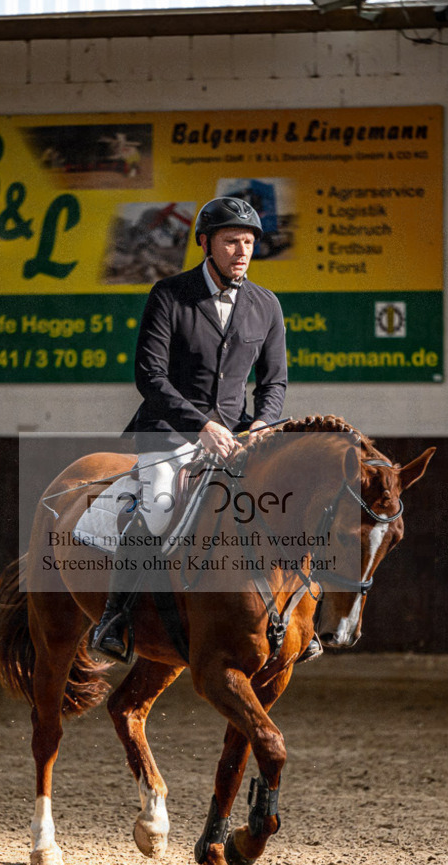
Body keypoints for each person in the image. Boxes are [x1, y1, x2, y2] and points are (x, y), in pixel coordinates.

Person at [91, 195, 288, 659]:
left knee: (279, 505)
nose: (241, 251)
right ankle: (115, 618)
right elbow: (150, 377)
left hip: (237, 435)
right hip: (169, 431)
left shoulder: (266, 305)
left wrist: (262, 422)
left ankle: (296, 617)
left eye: (248, 242)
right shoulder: (169, 294)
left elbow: (274, 380)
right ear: (205, 243)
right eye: (230, 241)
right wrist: (201, 425)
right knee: (159, 505)